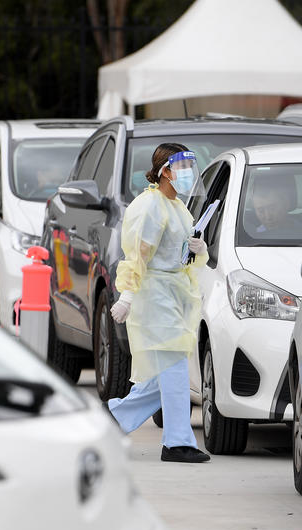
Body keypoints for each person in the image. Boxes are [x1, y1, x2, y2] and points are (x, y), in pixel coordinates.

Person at [107, 143, 211, 463]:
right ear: (165, 171)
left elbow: (181, 256)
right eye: (182, 167)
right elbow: (138, 255)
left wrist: (197, 249)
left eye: (191, 167)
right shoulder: (150, 206)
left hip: (173, 295)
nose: (188, 173)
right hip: (155, 296)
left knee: (164, 370)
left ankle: (111, 420)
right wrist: (127, 296)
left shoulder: (177, 207)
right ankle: (177, 442)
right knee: (174, 366)